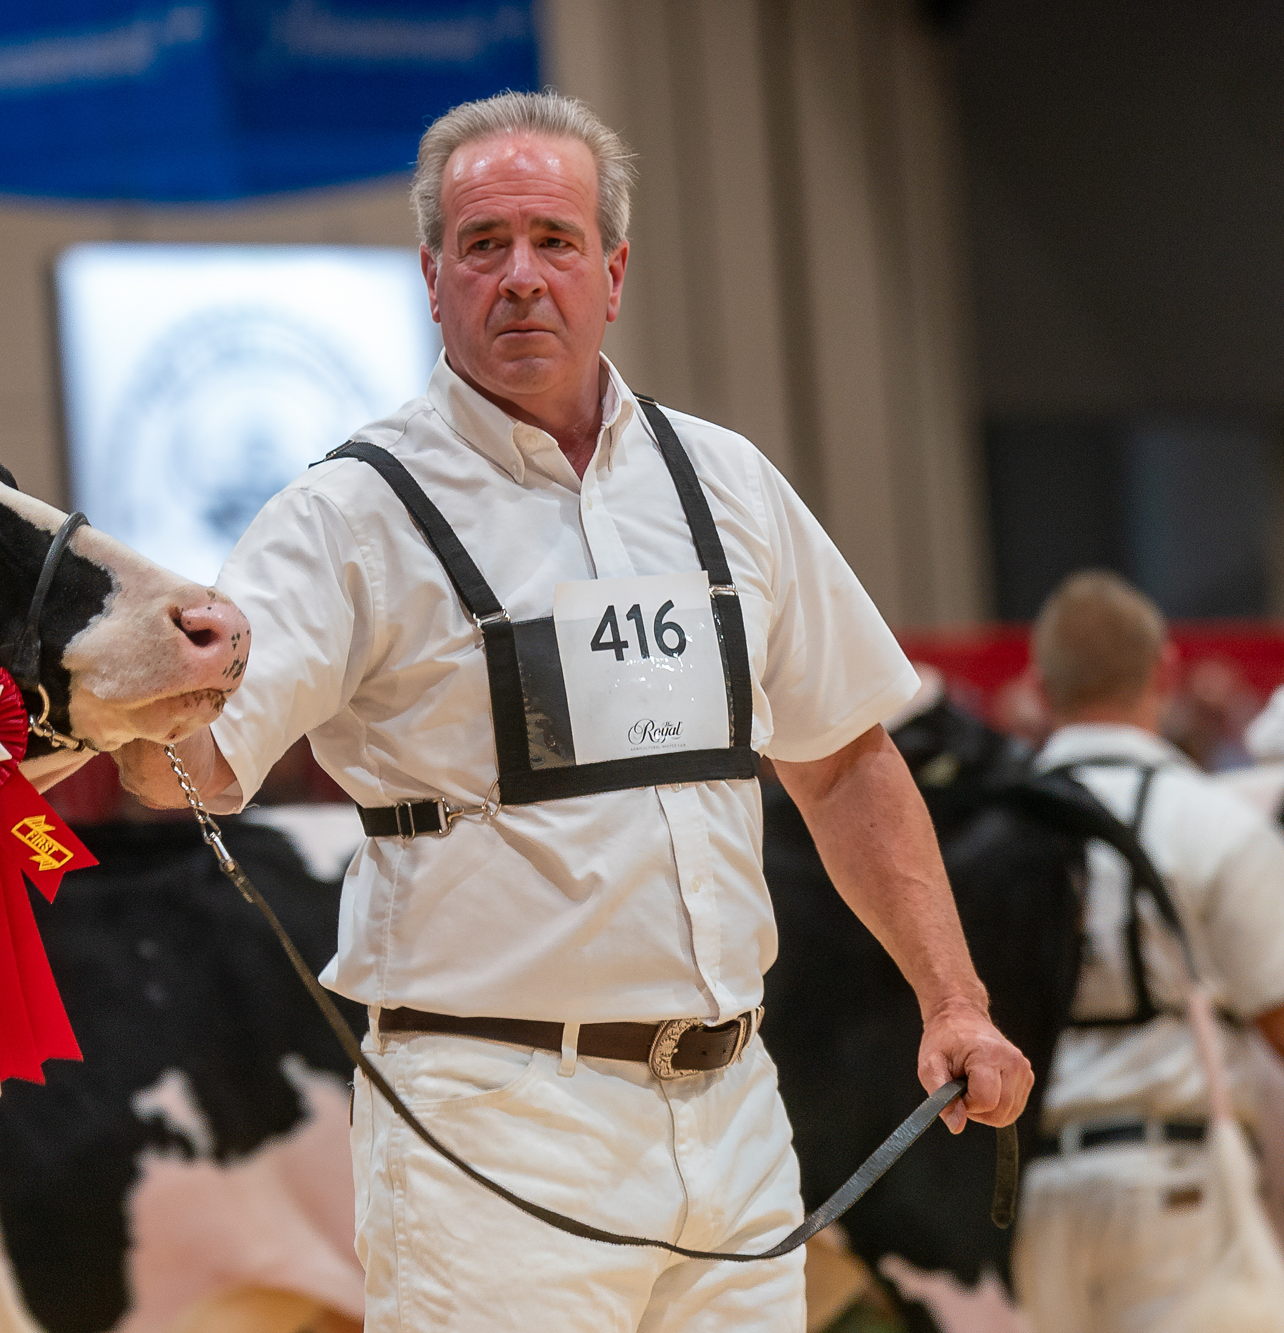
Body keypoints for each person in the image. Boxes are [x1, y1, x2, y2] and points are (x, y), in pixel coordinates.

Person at [117, 90, 1030, 1333]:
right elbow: (189, 767)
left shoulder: (725, 483)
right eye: (482, 244)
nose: (519, 276)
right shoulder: (345, 515)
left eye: (553, 240)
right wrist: (131, 688)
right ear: (431, 277)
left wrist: (953, 998)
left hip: (733, 1110)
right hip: (491, 1123)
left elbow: (841, 759)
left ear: (612, 270)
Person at [1015, 570, 1284, 1333]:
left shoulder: (990, 833)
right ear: (1165, 670)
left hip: (1031, 1193)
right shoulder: (1216, 824)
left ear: (1041, 687)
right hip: (1173, 1184)